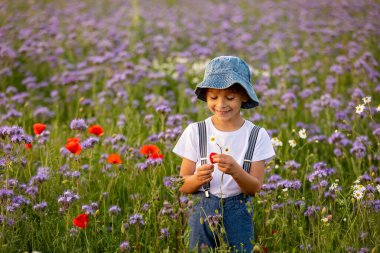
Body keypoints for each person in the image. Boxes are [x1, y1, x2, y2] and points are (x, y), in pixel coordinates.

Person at [172, 56, 275, 252]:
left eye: (230, 97)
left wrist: (236, 171)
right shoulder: (196, 131)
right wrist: (197, 178)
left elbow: (255, 188)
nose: (221, 104)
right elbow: (183, 185)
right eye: (213, 97)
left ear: (244, 96)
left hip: (239, 211)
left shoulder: (256, 135)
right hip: (203, 207)